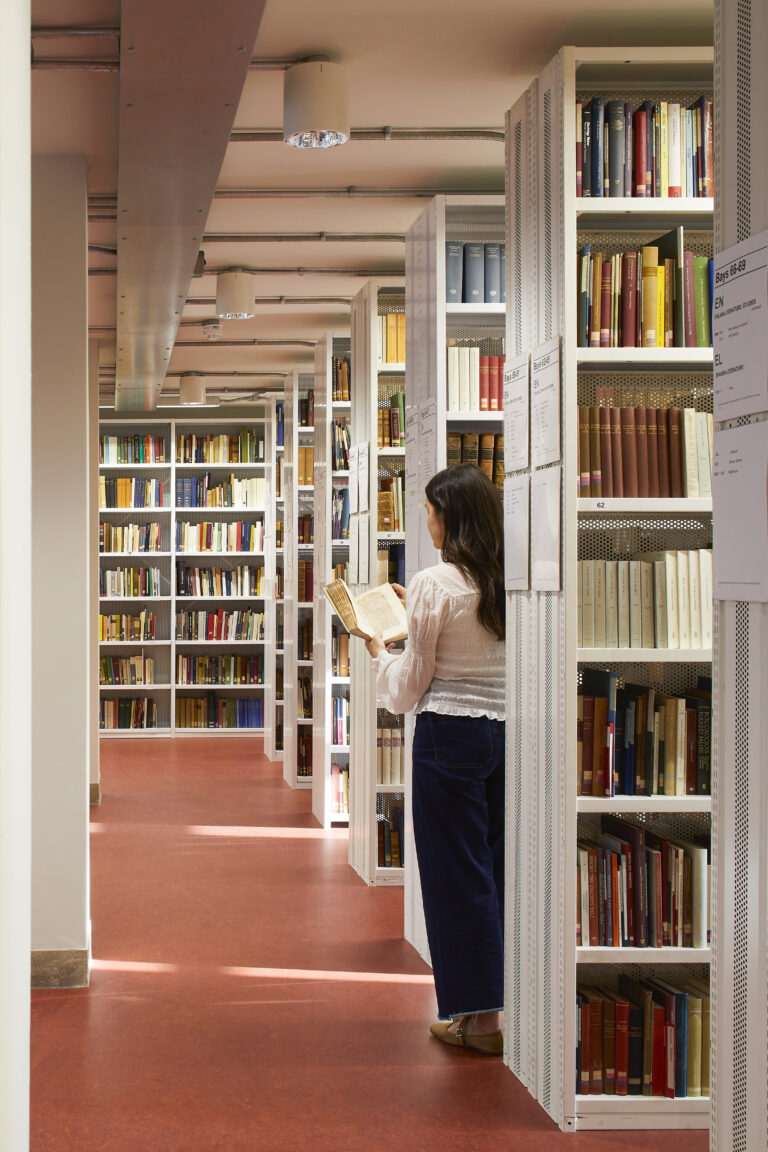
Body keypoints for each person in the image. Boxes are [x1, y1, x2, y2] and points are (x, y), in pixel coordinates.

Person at [365, 463, 506, 1055]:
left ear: (449, 516)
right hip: (503, 737)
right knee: (494, 874)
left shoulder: (433, 582)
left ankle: (477, 1021)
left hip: (447, 739)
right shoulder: (502, 578)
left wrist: (379, 652)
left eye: (428, 510)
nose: (424, 521)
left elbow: (411, 685)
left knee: (454, 881)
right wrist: (412, 608)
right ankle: (499, 1008)